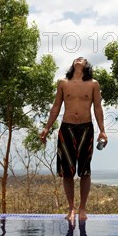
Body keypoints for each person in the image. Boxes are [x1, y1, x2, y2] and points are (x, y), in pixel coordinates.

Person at [40, 56, 108, 222]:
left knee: (85, 170)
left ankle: (82, 208)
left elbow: (98, 107)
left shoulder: (93, 84)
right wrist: (47, 127)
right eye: (76, 58)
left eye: (83, 59)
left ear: (86, 65)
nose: (79, 59)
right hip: (67, 128)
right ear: (72, 64)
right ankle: (71, 209)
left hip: (86, 128)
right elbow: (56, 106)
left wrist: (103, 131)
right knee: (67, 171)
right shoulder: (63, 83)